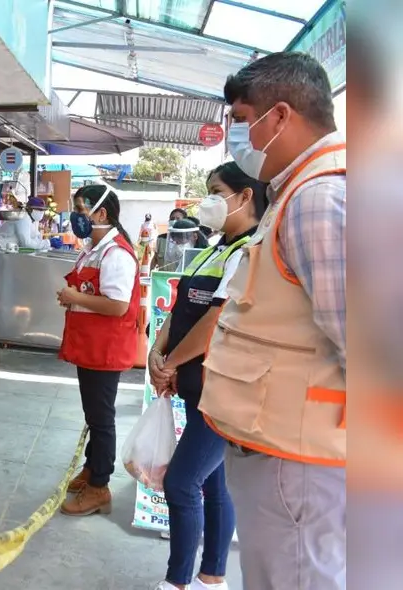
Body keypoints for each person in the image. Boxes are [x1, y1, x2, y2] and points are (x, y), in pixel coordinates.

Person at [199, 52, 345, 590]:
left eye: (241, 117)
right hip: (285, 450)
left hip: (300, 461)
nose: (236, 134)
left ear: (280, 116)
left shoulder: (319, 198)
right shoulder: (298, 193)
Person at [149, 162, 268, 590]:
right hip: (195, 386)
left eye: (217, 191)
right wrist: (158, 352)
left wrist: (171, 363)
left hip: (223, 390)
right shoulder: (214, 248)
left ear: (246, 196)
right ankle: (212, 577)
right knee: (214, 485)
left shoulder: (249, 252)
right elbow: (182, 309)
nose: (209, 201)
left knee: (181, 484)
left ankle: (177, 583)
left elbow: (217, 321)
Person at [57, 184, 141, 516]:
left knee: (102, 418)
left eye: (81, 210)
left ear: (101, 213)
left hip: (104, 348)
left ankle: (99, 487)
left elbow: (118, 306)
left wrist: (74, 297)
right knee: (94, 414)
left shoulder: (116, 254)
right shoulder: (95, 249)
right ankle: (92, 467)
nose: (77, 217)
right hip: (90, 345)